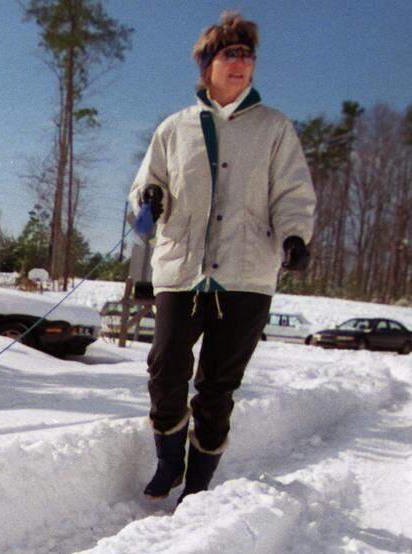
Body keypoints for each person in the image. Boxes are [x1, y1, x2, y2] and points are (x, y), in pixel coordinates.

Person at [129, 11, 315, 503]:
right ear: (208, 63)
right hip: (180, 268)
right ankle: (169, 462)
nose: (242, 63)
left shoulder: (274, 128)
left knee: (218, 385)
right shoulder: (175, 128)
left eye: (249, 55)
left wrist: (295, 235)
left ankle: (198, 484)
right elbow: (148, 183)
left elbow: (292, 192)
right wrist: (148, 197)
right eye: (231, 53)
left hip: (248, 273)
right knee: (166, 367)